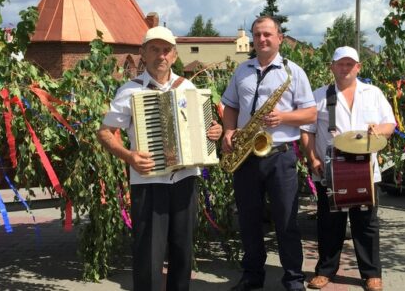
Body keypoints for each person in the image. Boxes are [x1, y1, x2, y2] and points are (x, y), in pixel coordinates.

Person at [96, 26, 223, 291]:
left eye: (166, 50)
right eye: (154, 49)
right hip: (149, 182)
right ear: (143, 53)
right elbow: (105, 133)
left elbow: (207, 131)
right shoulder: (130, 90)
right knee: (148, 254)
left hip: (185, 179)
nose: (161, 55)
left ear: (174, 56)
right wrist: (129, 156)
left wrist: (215, 131)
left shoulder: (188, 87)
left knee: (182, 250)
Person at [221, 15, 316, 291]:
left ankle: (293, 279)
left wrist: (284, 117)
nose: (262, 39)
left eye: (267, 34)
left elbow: (311, 112)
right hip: (246, 155)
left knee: (286, 220)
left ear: (279, 38)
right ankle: (252, 276)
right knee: (248, 220)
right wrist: (228, 131)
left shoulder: (293, 72)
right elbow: (230, 107)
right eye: (257, 34)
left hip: (280, 155)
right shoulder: (242, 70)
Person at [300, 46, 395, 291]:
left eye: (350, 64)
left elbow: (390, 123)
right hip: (330, 171)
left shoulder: (373, 93)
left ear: (358, 67)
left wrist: (379, 130)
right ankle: (325, 271)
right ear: (332, 67)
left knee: (366, 224)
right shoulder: (319, 96)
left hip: (364, 169)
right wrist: (313, 160)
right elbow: (307, 132)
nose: (345, 68)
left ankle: (371, 274)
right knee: (330, 223)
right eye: (340, 64)